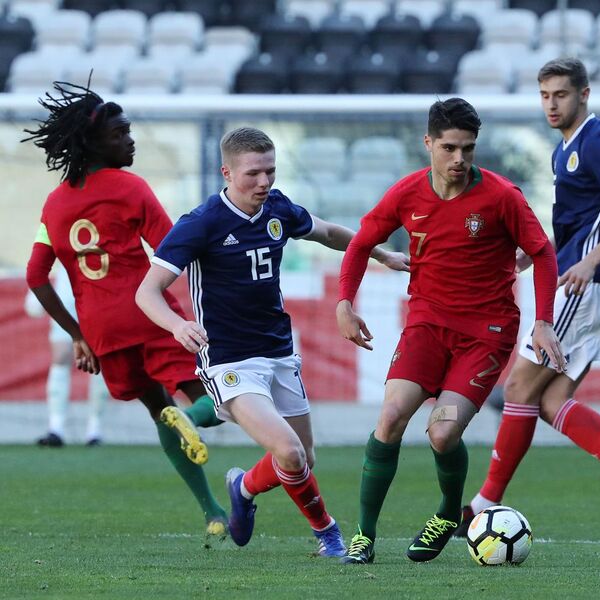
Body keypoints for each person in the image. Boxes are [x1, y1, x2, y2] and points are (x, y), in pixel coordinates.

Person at [135, 126, 409, 557]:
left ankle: (243, 487)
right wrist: (176, 325)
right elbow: (146, 292)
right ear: (226, 172)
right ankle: (329, 535)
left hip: (279, 352)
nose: (264, 182)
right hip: (228, 360)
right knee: (288, 451)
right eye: (253, 174)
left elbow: (328, 233)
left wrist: (379, 253)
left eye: (270, 172)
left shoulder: (277, 208)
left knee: (302, 459)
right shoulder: (201, 223)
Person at [335, 98, 564, 565]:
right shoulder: (406, 194)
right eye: (450, 148)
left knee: (441, 433)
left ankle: (446, 512)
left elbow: (542, 253)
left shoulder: (502, 197)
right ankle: (364, 535)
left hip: (487, 331)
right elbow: (361, 244)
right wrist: (344, 304)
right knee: (391, 417)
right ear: (429, 145)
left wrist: (542, 321)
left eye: (468, 149)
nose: (460, 159)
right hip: (427, 322)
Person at [457, 57, 600, 538]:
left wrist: (588, 263)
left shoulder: (599, 139)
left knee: (516, 389)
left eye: (561, 95)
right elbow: (578, 226)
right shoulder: (562, 151)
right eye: (545, 95)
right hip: (594, 281)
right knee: (549, 400)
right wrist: (538, 253)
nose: (552, 104)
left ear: (584, 94)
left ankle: (483, 503)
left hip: (589, 283)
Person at [24, 80, 229, 544]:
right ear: (93, 142)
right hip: (148, 314)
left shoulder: (54, 204)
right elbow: (172, 248)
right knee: (220, 400)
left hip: (101, 331)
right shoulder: (130, 188)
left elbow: (37, 276)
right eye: (120, 133)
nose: (130, 139)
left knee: (159, 410)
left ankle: (212, 511)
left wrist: (77, 335)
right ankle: (191, 420)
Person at [25, 264, 109, 447]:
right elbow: (44, 255)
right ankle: (56, 428)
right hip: (67, 292)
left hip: (99, 290)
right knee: (61, 356)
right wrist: (35, 290)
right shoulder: (54, 235)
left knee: (100, 361)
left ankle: (95, 429)